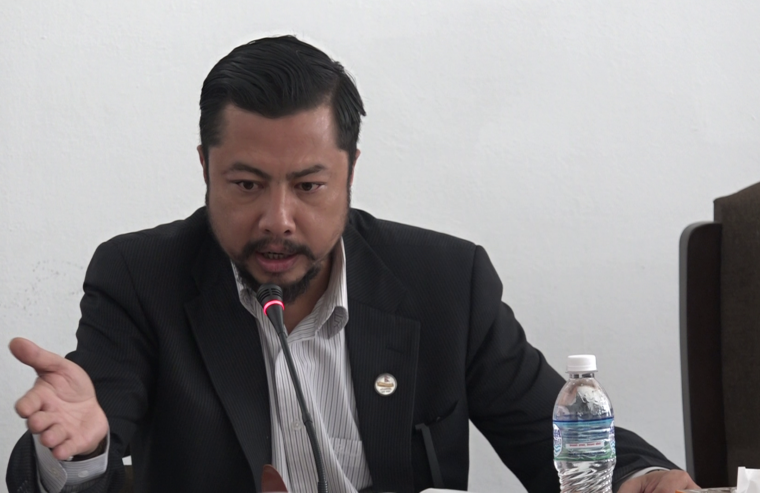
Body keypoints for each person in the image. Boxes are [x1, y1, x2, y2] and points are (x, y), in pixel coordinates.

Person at [7, 35, 698, 493]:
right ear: (205, 169)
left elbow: (554, 435)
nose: (278, 219)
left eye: (309, 186)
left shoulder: (445, 282)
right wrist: (77, 451)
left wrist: (640, 479)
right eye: (246, 184)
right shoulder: (139, 278)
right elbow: (83, 442)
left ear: (350, 172)